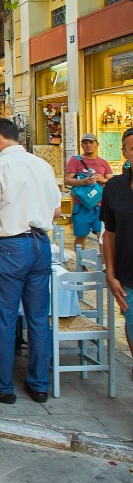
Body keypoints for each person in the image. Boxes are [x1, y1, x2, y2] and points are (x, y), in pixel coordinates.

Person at [0, 117, 61, 405]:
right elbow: (56, 211)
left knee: (5, 317)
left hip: (11, 245)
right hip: (40, 243)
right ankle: (39, 384)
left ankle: (1, 386)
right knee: (37, 318)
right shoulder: (42, 165)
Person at [99, 126, 133, 364]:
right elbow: (109, 234)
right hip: (128, 278)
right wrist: (110, 274)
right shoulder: (114, 187)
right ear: (124, 153)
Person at [66, 133, 113, 251]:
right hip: (81, 206)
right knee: (81, 236)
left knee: (102, 236)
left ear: (97, 144)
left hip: (100, 207)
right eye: (85, 142)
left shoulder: (103, 162)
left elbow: (112, 183)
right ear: (81, 145)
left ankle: (104, 264)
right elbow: (67, 180)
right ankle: (80, 264)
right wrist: (84, 181)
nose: (88, 145)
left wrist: (103, 180)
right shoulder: (75, 161)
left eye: (91, 142)